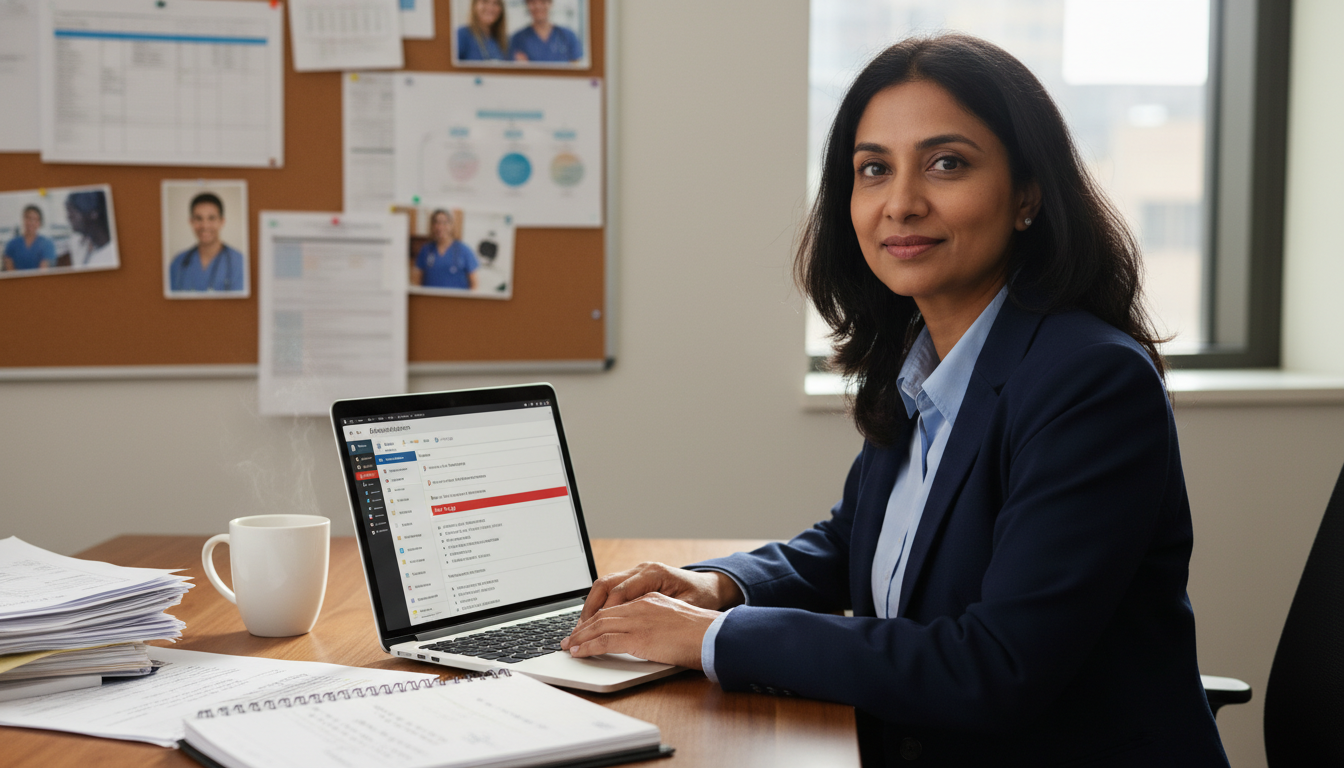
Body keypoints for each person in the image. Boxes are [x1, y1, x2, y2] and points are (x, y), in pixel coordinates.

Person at [561, 34, 1230, 767]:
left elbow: (996, 665)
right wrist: (718, 586)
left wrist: (712, 640)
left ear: (1028, 196)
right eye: (874, 169)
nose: (901, 203)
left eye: (947, 164)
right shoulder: (923, 358)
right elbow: (855, 542)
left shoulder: (1091, 383)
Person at [168, 192, 246, 293]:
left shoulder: (239, 263)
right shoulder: (178, 263)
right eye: (199, 218)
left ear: (221, 221)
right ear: (191, 222)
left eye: (211, 218)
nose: (205, 226)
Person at [412, 209, 478, 290]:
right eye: (436, 222)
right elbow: (417, 281)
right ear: (432, 226)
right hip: (430, 301)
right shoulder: (426, 250)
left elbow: (474, 285)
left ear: (451, 225)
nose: (440, 227)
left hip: (457, 301)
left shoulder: (464, 250)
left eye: (445, 222)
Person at [510, 0, 582, 64]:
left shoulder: (568, 36)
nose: (538, 6)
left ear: (550, 3)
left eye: (543, 2)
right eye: (532, 2)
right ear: (527, 5)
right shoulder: (518, 39)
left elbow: (576, 69)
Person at [64, 190, 116, 268]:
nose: (68, 217)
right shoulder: (81, 241)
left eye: (72, 212)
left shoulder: (110, 257)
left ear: (93, 214)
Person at [2, 205, 56, 271]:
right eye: (28, 218)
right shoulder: (11, 244)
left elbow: (43, 272)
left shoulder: (47, 244)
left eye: (35, 219)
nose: (31, 222)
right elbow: (10, 273)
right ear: (23, 219)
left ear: (39, 223)